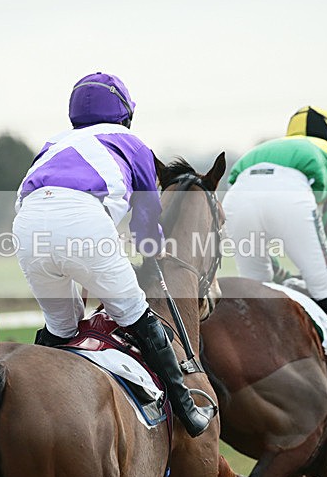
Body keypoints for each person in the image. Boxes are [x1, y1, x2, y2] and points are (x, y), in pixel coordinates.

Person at [12, 72, 212, 437]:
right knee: (136, 314)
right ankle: (187, 409)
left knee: (62, 329)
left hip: (26, 226)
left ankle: (34, 410)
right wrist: (151, 253)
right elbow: (146, 221)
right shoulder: (132, 143)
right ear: (125, 114)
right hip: (81, 222)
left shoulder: (53, 143)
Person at [222, 106, 327, 402]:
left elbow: (250, 205)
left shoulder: (269, 148)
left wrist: (276, 269)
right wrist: (321, 269)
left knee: (258, 288)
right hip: (288, 195)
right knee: (326, 282)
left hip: (236, 196)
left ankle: (254, 365)